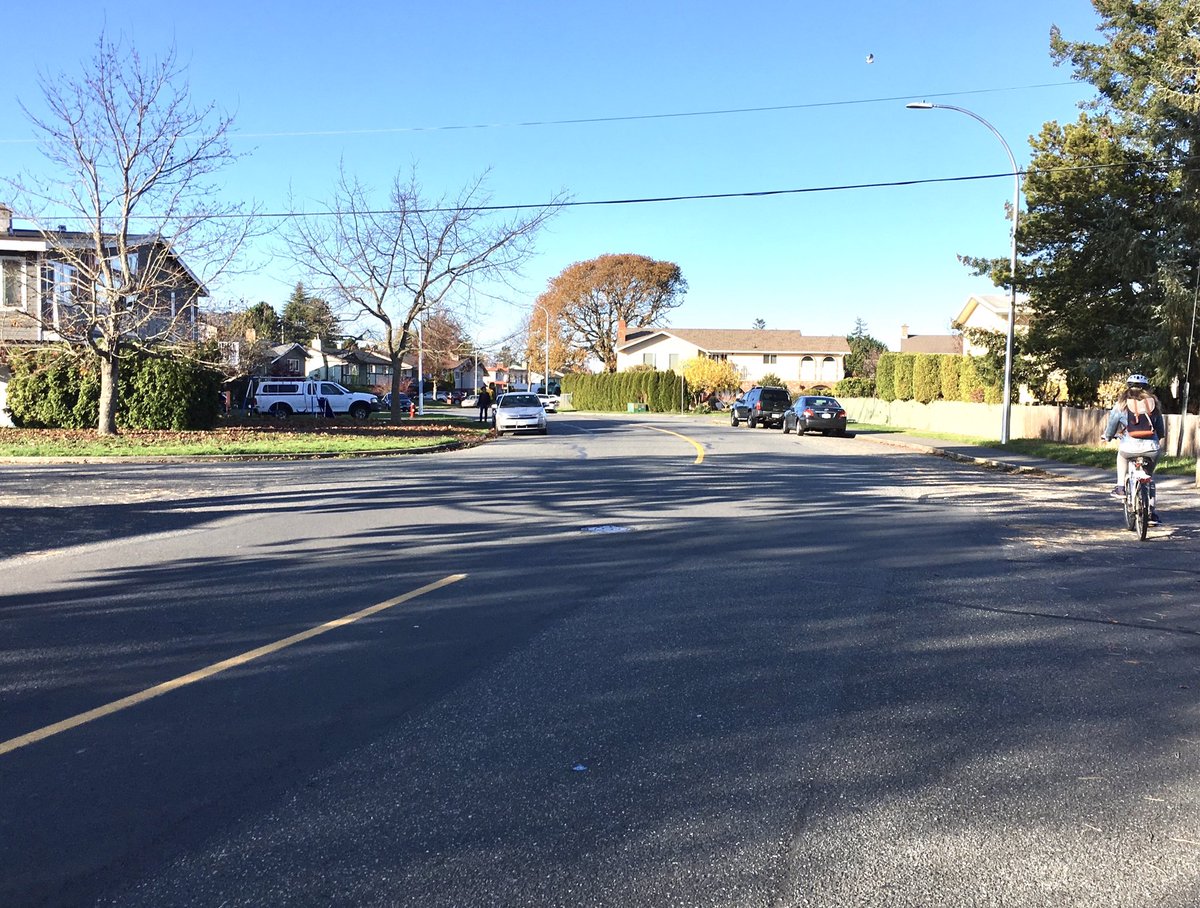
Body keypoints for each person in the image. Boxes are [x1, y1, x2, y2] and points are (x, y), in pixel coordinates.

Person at [1101, 373, 1166, 523]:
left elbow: (1112, 425)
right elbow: (1160, 429)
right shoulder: (1153, 404)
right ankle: (1151, 514)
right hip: (1152, 448)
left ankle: (1120, 487)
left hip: (1129, 447)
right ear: (1147, 388)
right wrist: (1158, 438)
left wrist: (1108, 437)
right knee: (1148, 478)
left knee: (1122, 456)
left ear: (1128, 387)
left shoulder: (1122, 404)